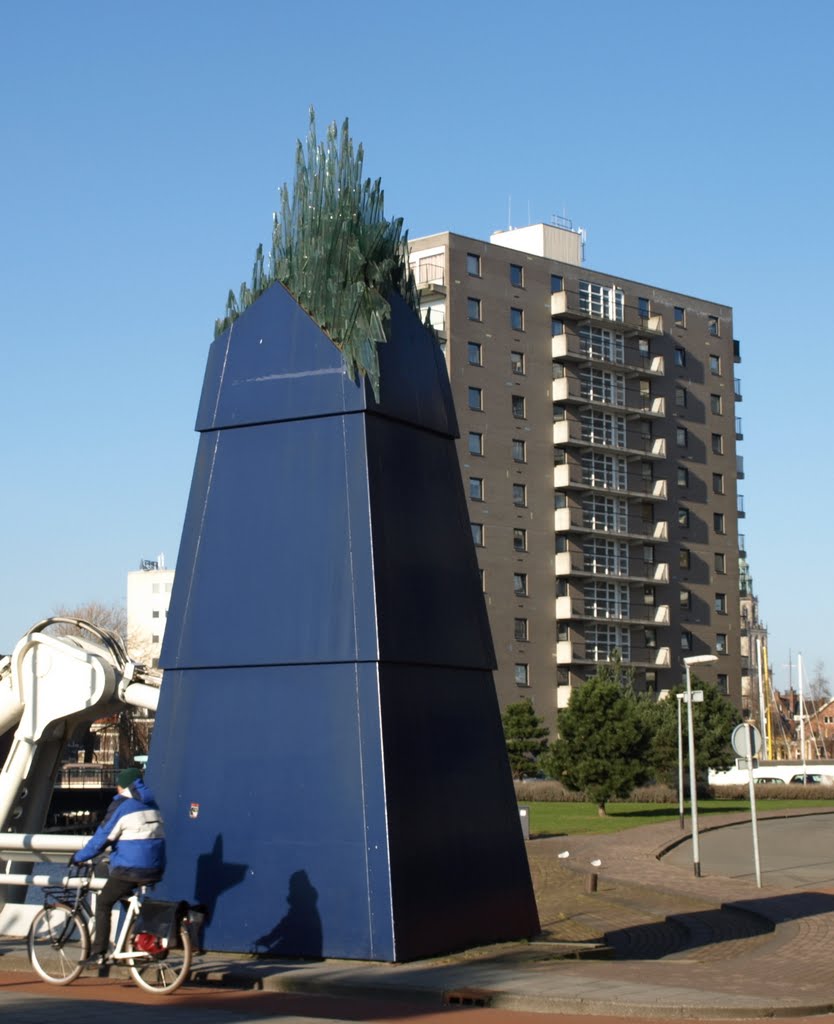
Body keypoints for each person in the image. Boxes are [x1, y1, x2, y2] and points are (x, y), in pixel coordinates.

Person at [71, 766, 166, 966]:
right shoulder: (151, 803)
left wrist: (80, 856)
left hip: (131, 867)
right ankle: (135, 945)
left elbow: (103, 837)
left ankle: (99, 953)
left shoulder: (123, 806)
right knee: (127, 899)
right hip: (155, 866)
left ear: (123, 787)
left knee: (104, 902)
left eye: (118, 786)